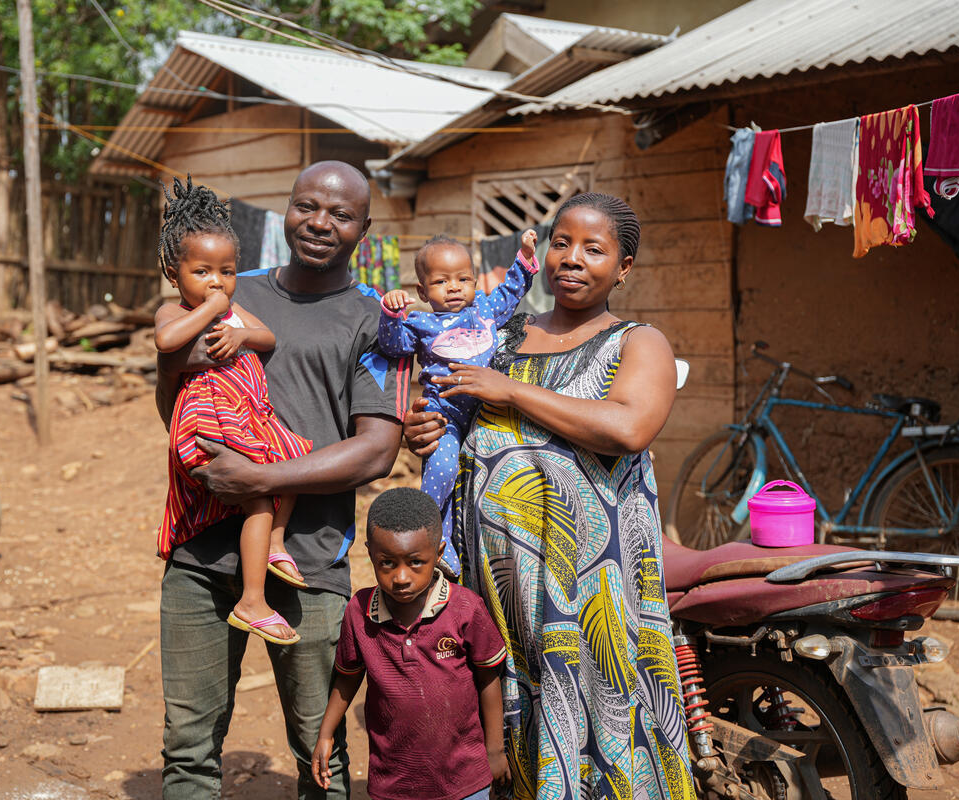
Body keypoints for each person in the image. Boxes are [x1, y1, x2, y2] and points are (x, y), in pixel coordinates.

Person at [403, 192, 696, 800]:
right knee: (502, 727)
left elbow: (628, 427)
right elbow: (452, 415)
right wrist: (428, 428)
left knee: (604, 726)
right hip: (497, 584)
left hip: (594, 591)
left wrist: (509, 391)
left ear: (624, 267)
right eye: (561, 242)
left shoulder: (638, 343)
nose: (572, 258)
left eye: (594, 249)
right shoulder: (499, 336)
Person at [153, 161, 407, 800]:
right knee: (188, 749)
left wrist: (258, 475)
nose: (320, 222)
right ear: (286, 209)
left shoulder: (374, 323)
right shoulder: (231, 291)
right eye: (306, 206)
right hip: (200, 551)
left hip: (310, 560)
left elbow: (377, 449)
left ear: (364, 230)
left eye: (340, 214)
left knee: (318, 750)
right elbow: (175, 393)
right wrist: (214, 462)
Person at [154, 175, 312, 646]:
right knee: (257, 495)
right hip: (206, 420)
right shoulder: (172, 310)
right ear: (173, 273)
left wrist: (239, 330)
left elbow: (269, 338)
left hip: (246, 415)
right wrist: (213, 308)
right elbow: (167, 341)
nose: (216, 282)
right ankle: (252, 601)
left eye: (226, 272)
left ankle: (276, 543)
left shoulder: (234, 312)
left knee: (293, 462)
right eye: (202, 271)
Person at [311, 487, 509, 800]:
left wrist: (495, 750)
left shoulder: (465, 608)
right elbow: (347, 679)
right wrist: (326, 734)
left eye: (416, 562)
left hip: (465, 780)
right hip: (394, 784)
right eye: (387, 563)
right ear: (370, 553)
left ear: (439, 552)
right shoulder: (359, 612)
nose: (401, 577)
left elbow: (489, 678)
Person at [376, 231, 538, 577]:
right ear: (422, 292)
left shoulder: (485, 309)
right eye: (441, 281)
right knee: (443, 472)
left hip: (488, 415)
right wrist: (391, 315)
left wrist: (524, 258)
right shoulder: (421, 323)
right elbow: (393, 347)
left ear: (475, 282)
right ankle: (430, 538)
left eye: (463, 279)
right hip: (444, 415)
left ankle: (449, 544)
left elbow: (511, 291)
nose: (454, 287)